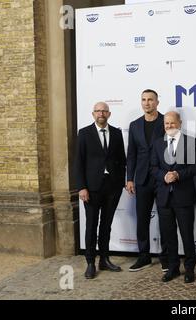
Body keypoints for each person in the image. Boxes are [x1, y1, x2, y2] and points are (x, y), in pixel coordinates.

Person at [74, 102, 126, 279]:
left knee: (106, 225)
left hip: (112, 187)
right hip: (91, 188)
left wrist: (121, 182)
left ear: (109, 114)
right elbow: (78, 162)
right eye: (98, 111)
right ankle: (90, 262)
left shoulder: (117, 133)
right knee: (91, 226)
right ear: (93, 114)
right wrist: (81, 187)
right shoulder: (84, 133)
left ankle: (104, 259)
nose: (101, 113)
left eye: (104, 111)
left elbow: (122, 160)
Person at [151, 111, 196, 283]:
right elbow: (153, 167)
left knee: (187, 234)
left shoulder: (191, 142)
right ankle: (173, 268)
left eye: (172, 123)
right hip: (164, 197)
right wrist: (164, 176)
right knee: (168, 235)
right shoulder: (157, 143)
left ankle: (190, 269)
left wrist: (178, 174)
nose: (169, 126)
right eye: (166, 123)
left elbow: (195, 167)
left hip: (183, 196)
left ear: (179, 123)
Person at [126, 89, 168, 272]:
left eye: (150, 99)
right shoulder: (134, 125)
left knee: (165, 219)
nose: (147, 103)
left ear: (157, 102)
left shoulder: (166, 121)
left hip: (162, 178)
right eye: (143, 100)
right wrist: (129, 178)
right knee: (142, 219)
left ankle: (166, 257)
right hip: (141, 179)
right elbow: (132, 155)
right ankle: (144, 256)